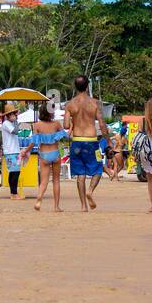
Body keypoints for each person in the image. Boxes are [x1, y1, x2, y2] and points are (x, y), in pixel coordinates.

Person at [63, 75, 104, 212]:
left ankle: (83, 206)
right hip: (92, 141)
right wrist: (108, 140)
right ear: (87, 86)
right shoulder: (95, 103)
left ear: (75, 87)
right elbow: (102, 124)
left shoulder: (70, 104)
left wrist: (73, 120)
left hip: (77, 142)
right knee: (98, 169)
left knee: (80, 174)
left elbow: (66, 124)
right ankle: (90, 191)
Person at [22, 104, 66, 212]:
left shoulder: (36, 125)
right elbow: (64, 135)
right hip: (55, 153)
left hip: (44, 155)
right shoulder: (56, 124)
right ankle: (56, 207)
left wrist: (25, 151)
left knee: (43, 182)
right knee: (56, 181)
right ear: (50, 112)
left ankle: (39, 200)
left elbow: (33, 143)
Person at [0, 107, 23, 199]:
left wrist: (15, 121)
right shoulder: (6, 123)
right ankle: (14, 193)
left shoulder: (10, 123)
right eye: (13, 114)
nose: (15, 116)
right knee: (14, 172)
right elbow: (15, 131)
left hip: (14, 151)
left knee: (15, 172)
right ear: (8, 115)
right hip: (10, 151)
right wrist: (16, 121)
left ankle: (13, 193)